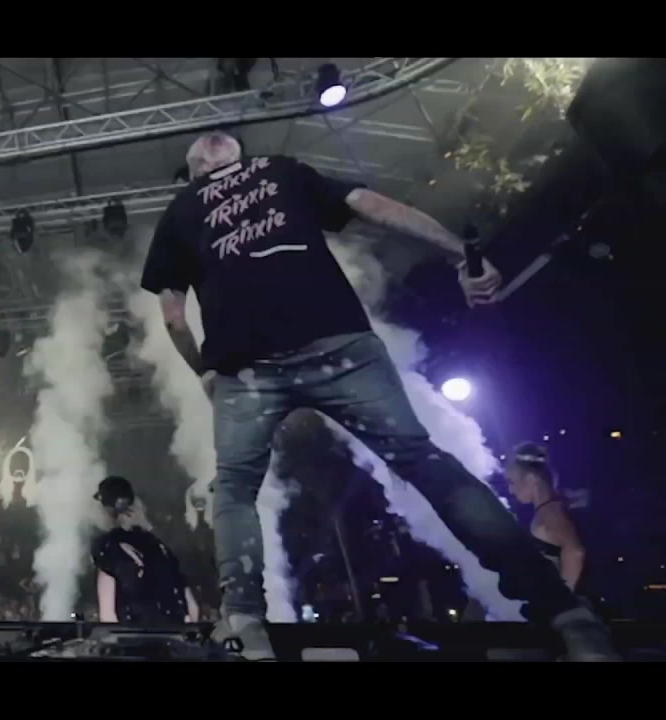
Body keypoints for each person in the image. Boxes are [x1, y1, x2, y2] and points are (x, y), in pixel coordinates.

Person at [139, 131, 619, 661]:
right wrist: (463, 256)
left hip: (247, 366)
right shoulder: (283, 170)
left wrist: (205, 372)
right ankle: (565, 612)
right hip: (338, 342)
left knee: (234, 489)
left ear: (195, 173)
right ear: (238, 159)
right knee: (425, 463)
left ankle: (247, 626)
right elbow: (375, 206)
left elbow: (174, 318)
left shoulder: (182, 210)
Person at [91, 475, 200, 626]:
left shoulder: (108, 546)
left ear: (108, 509)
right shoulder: (159, 547)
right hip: (171, 634)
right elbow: (191, 607)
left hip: (132, 635)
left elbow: (108, 612)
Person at [505, 443, 586, 592]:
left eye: (512, 481)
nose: (510, 490)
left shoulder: (548, 515)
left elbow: (575, 553)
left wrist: (562, 600)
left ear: (531, 479)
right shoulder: (556, 506)